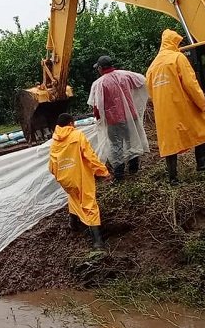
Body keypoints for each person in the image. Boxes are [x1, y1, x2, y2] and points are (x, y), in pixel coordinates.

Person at [145, 29, 205, 184]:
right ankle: (202, 163)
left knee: (169, 142)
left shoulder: (152, 66)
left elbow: (150, 91)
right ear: (174, 42)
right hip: (183, 106)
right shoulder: (178, 58)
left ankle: (173, 178)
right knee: (203, 128)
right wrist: (202, 102)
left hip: (163, 111)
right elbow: (191, 84)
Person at [48, 113, 110, 249]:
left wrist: (62, 176)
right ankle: (98, 241)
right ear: (70, 124)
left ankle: (73, 223)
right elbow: (90, 156)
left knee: (74, 196)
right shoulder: (77, 135)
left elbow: (52, 166)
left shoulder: (54, 142)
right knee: (89, 204)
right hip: (80, 177)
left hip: (65, 179)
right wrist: (102, 171)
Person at [88, 55, 149, 182]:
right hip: (130, 116)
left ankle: (119, 174)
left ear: (100, 68)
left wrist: (99, 119)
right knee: (130, 140)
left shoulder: (99, 84)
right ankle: (133, 167)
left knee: (116, 145)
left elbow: (97, 105)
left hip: (113, 120)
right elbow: (142, 81)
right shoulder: (125, 75)